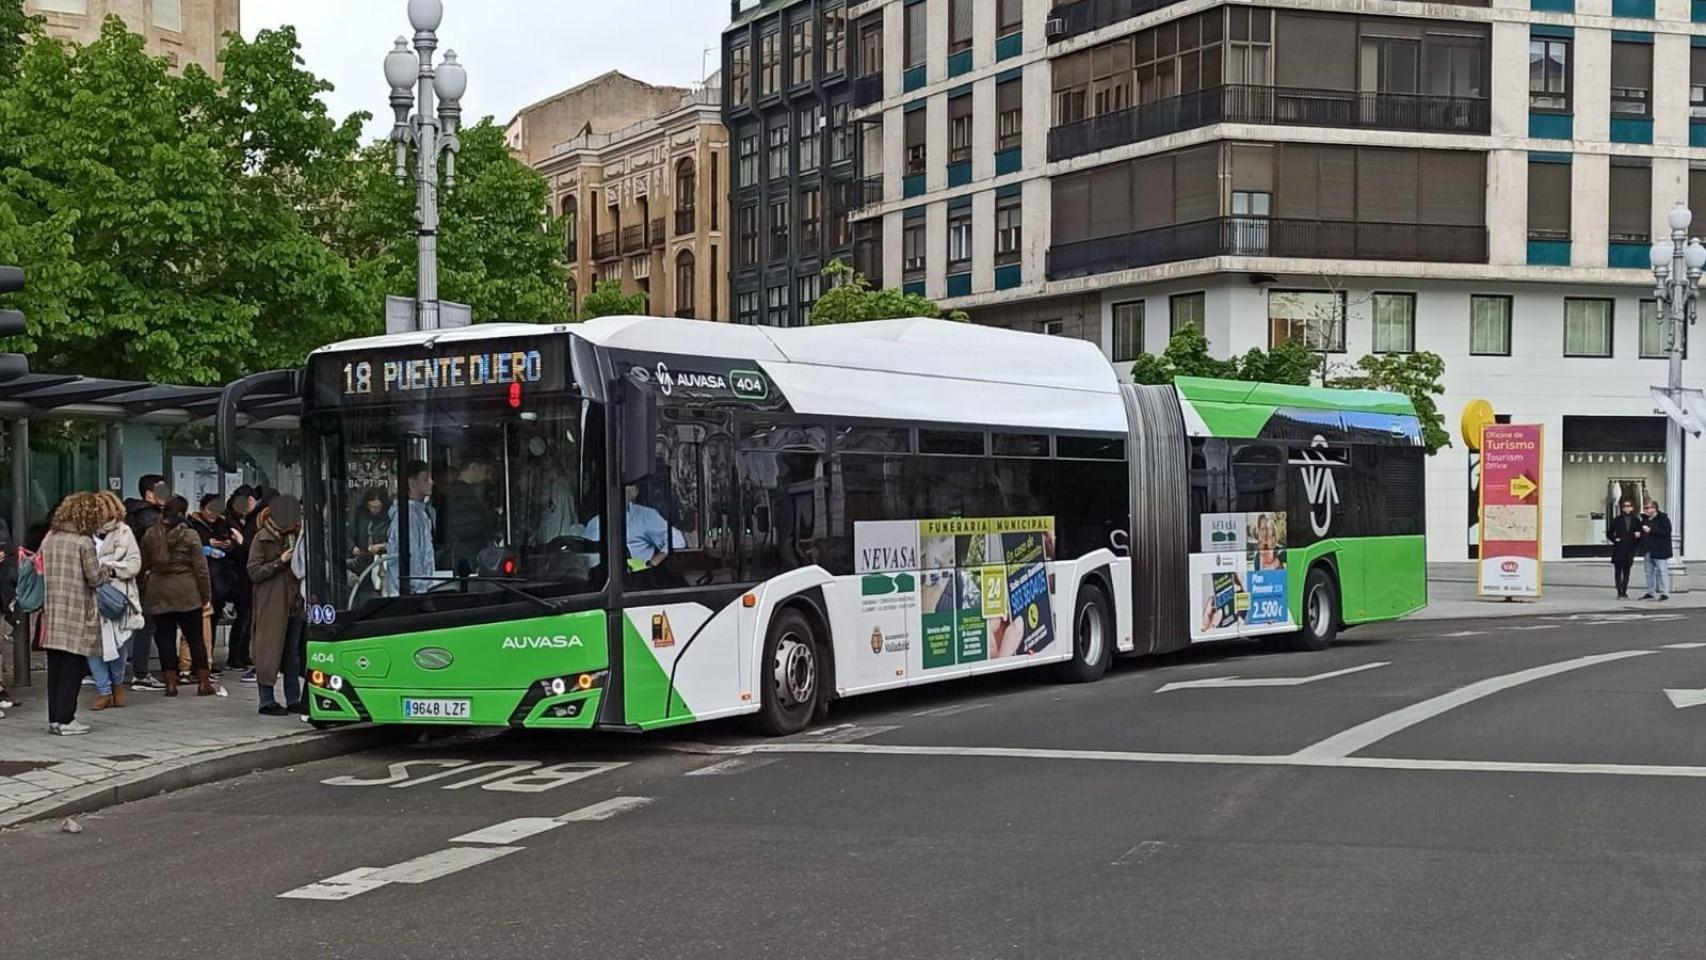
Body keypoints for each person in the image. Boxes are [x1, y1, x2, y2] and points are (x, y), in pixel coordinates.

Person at [39, 493, 104, 735]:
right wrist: (106, 571)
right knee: (73, 667)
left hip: (53, 609)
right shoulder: (83, 542)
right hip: (77, 610)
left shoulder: (51, 538)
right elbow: (95, 577)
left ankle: (55, 718)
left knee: (55, 667)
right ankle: (67, 719)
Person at [141, 496, 215, 695]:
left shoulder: (150, 534)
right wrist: (206, 595)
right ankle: (203, 683)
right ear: (182, 514)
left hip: (158, 593)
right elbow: (201, 569)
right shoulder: (190, 535)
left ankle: (170, 684)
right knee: (195, 639)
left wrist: (143, 592)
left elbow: (143, 565)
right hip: (187, 593)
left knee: (164, 639)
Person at [248, 495, 304, 716]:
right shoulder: (262, 538)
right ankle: (266, 700)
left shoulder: (296, 536)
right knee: (269, 652)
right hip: (271, 603)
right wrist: (280, 562)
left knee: (293, 653)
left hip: (294, 602)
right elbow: (254, 572)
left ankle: (294, 698)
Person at [89, 493, 143, 710]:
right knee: (93, 646)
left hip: (117, 595)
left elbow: (134, 563)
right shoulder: (83, 534)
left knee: (119, 644)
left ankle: (117, 685)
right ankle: (103, 690)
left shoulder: (123, 531)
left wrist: (111, 568)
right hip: (91, 596)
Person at [124, 475, 170, 690]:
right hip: (148, 576)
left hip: (137, 575)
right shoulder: (150, 517)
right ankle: (141, 673)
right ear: (149, 494)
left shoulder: (132, 513)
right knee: (146, 624)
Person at [188, 493, 236, 677]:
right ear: (202, 508)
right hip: (203, 579)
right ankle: (196, 664)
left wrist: (227, 544)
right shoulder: (192, 524)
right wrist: (207, 545)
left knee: (213, 623)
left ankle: (208, 659)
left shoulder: (222, 523)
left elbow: (232, 543)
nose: (213, 514)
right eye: (210, 509)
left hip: (220, 579)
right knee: (199, 625)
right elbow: (192, 547)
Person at [585, 484, 685, 572]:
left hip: (632, 583)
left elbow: (677, 539)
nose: (623, 489)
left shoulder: (646, 516)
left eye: (628, 485)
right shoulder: (595, 522)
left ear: (636, 491)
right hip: (596, 580)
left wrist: (653, 563)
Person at [386, 461, 437, 595]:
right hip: (411, 595)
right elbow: (412, 558)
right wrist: (420, 590)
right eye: (425, 479)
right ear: (411, 483)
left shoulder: (421, 512)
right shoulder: (408, 516)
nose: (431, 482)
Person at [440, 459, 498, 573]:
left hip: (467, 556)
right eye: (486, 471)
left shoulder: (462, 492)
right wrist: (493, 516)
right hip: (464, 558)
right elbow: (466, 525)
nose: (486, 477)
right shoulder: (460, 493)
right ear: (474, 466)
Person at [223, 488, 255, 678]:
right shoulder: (231, 521)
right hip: (237, 575)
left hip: (242, 574)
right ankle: (236, 656)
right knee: (244, 615)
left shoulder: (244, 519)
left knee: (247, 616)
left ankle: (242, 654)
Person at [1637, 499, 1674, 601]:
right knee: (1648, 572)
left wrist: (1651, 530)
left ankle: (1665, 593)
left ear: (1654, 508)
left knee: (1662, 571)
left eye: (1649, 508)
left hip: (1660, 549)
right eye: (1645, 508)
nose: (1646, 510)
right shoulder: (1644, 519)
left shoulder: (1663, 518)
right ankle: (1650, 592)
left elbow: (1666, 532)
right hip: (1648, 550)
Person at [1606, 499, 1642, 599]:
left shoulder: (1636, 520)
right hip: (1619, 548)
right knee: (1618, 570)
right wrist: (1615, 539)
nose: (1627, 508)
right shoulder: (1617, 519)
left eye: (1629, 506)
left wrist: (1636, 541)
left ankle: (1624, 590)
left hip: (1630, 548)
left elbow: (1640, 534)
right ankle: (1619, 590)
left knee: (1627, 570)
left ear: (1632, 508)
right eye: (1625, 506)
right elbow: (1609, 532)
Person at [349, 487, 390, 565]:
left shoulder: (389, 517)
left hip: (382, 559)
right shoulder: (361, 514)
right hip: (362, 557)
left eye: (376, 507)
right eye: (370, 506)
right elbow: (350, 533)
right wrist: (352, 547)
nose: (373, 510)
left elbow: (395, 542)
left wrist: (382, 546)